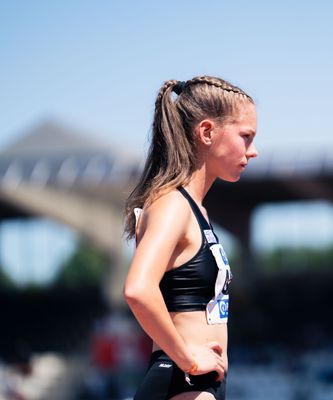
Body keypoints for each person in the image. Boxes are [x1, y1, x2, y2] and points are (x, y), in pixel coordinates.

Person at [123, 75, 257, 400]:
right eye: (246, 137)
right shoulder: (173, 205)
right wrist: (188, 358)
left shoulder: (196, 210)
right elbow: (138, 290)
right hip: (184, 379)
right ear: (207, 132)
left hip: (196, 381)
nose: (254, 152)